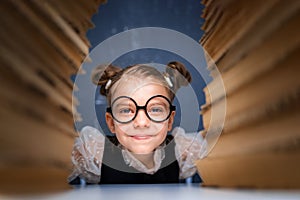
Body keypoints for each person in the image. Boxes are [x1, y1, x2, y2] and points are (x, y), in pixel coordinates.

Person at [68, 61, 203, 184]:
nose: (141, 122)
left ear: (169, 121)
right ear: (111, 122)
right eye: (126, 110)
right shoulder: (94, 154)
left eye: (155, 109)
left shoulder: (182, 151)